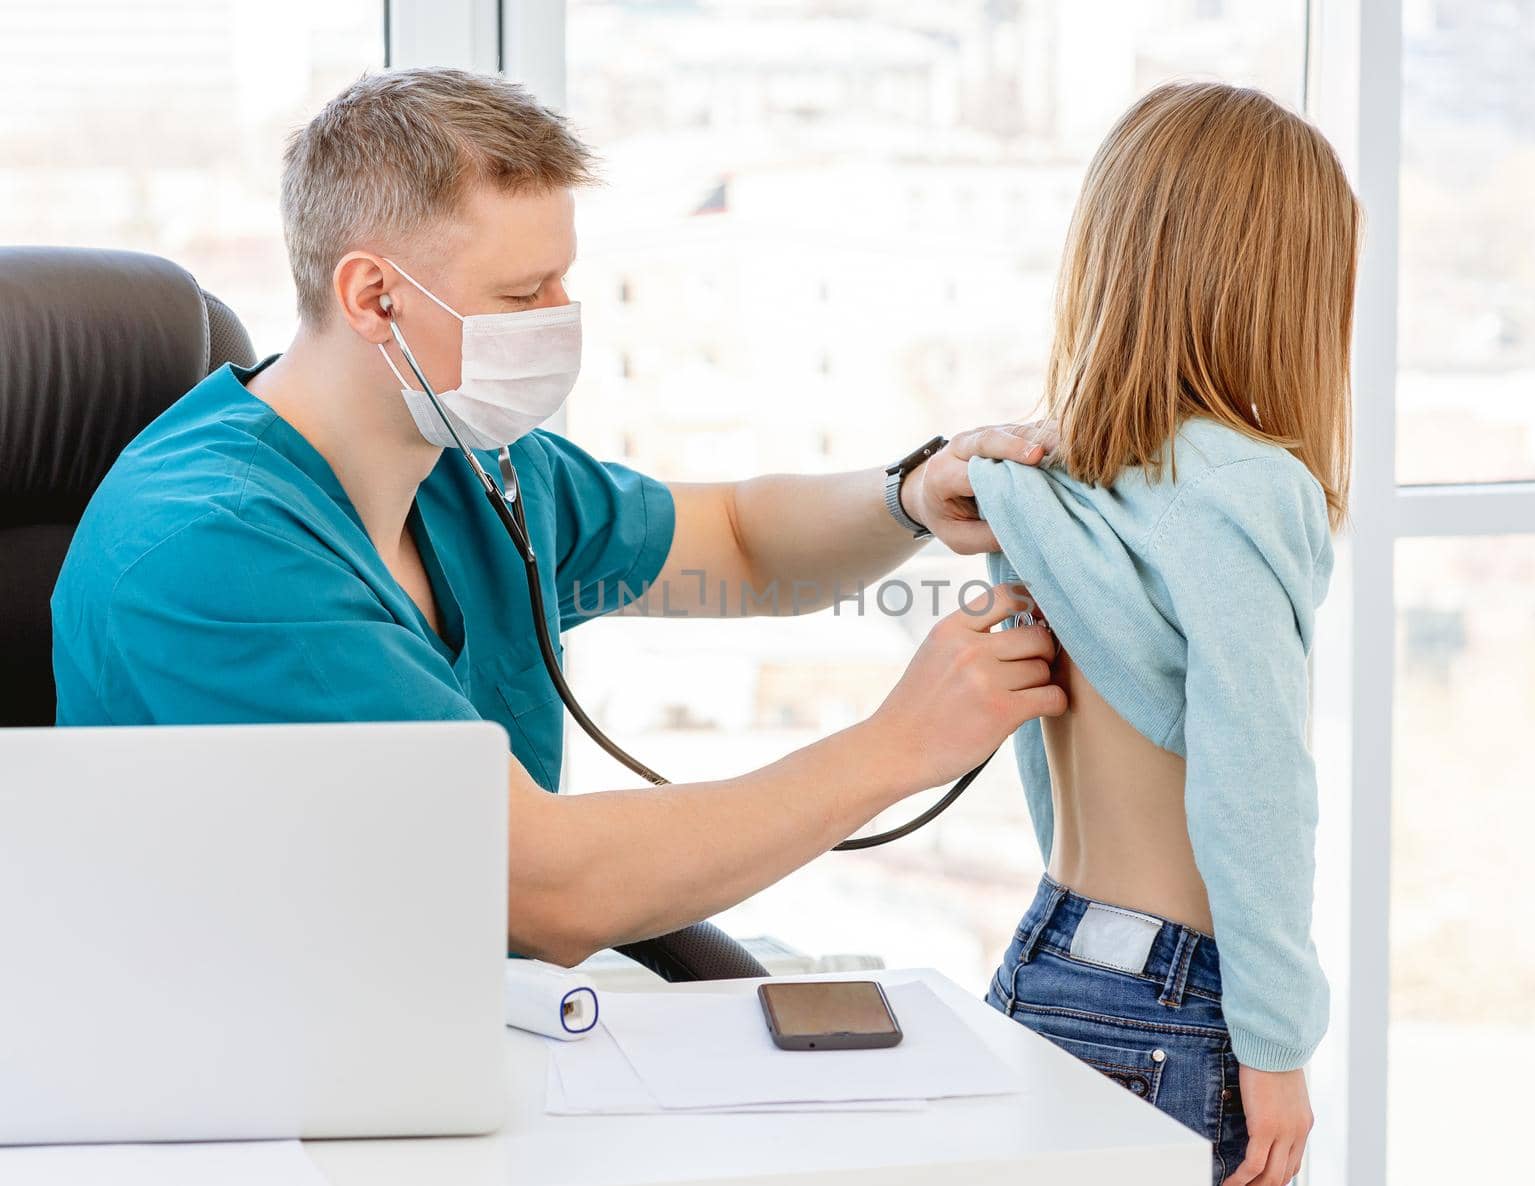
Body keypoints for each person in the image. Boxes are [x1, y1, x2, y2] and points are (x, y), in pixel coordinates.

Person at [50, 67, 1067, 965]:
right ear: (372, 297)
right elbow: (542, 889)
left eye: (563, 280)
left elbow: (742, 546)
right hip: (255, 1094)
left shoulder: (465, 459)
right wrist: (897, 746)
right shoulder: (212, 551)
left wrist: (910, 497)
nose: (560, 317)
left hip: (444, 1027)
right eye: (523, 290)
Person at [970, 82, 1357, 1186]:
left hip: (1045, 957)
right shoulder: (1250, 486)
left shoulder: (1044, 479)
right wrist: (1275, 1041)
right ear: (1288, 294)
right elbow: (1255, 776)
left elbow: (1037, 735)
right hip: (1175, 1005)